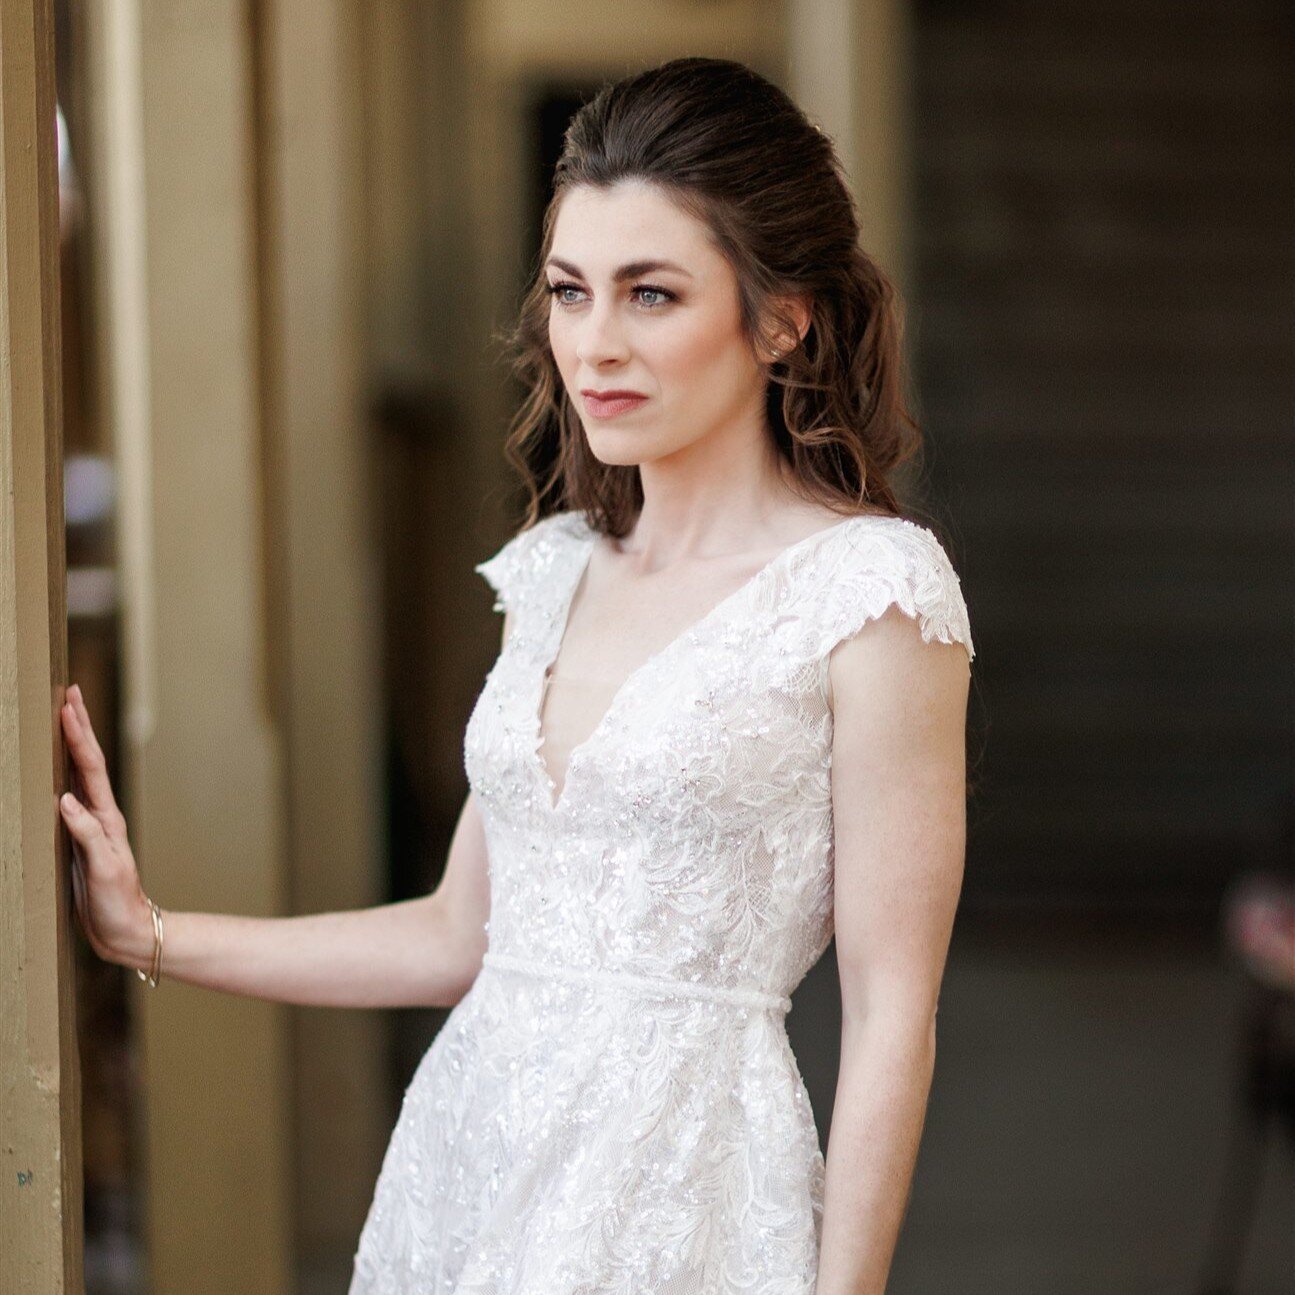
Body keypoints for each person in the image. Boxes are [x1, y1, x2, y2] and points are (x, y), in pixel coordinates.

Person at [60, 56, 975, 1295]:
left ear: (780, 315)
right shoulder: (552, 571)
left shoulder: (873, 592)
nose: (594, 344)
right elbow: (456, 934)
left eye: (650, 294)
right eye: (569, 291)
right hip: (471, 1161)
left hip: (686, 1187)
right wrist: (150, 931)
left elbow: (888, 1016)